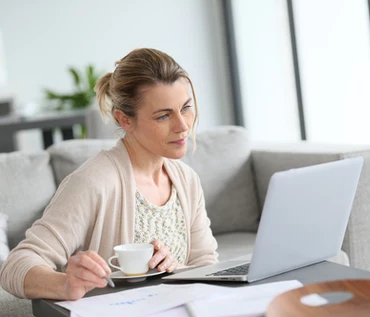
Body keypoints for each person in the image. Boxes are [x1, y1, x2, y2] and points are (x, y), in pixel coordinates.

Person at [0, 48, 218, 301]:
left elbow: (206, 265)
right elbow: (15, 266)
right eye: (163, 115)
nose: (183, 126)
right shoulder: (94, 182)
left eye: (186, 108)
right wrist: (66, 286)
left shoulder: (187, 180)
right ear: (125, 120)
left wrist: (176, 270)